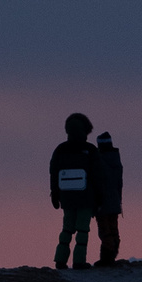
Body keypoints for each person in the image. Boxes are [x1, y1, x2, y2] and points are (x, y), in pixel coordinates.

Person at [49, 113, 100, 270]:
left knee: (67, 228)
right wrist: (99, 197)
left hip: (67, 197)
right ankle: (79, 261)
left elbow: (54, 172)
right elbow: (98, 176)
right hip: (86, 197)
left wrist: (55, 194)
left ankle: (60, 259)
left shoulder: (60, 149)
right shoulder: (90, 150)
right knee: (82, 229)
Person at [92, 131, 124, 266]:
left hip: (102, 202)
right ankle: (112, 254)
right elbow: (119, 183)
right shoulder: (116, 160)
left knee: (104, 231)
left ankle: (107, 258)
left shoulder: (98, 161)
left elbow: (97, 183)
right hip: (115, 201)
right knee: (113, 228)